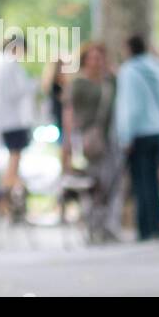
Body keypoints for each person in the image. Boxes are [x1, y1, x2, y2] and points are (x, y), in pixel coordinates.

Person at [114, 35, 159, 241]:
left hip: (138, 133)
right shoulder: (157, 68)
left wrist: (126, 136)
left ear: (128, 49)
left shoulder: (128, 71)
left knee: (141, 182)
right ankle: (156, 224)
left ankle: (145, 228)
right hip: (158, 131)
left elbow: (129, 107)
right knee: (153, 181)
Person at [61, 41, 120, 244]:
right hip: (89, 141)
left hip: (109, 139)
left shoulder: (110, 82)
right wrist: (67, 144)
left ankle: (106, 226)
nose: (98, 62)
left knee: (111, 183)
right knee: (94, 184)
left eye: (100, 57)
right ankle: (92, 226)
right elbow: (68, 113)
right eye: (94, 58)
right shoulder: (78, 85)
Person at [0, 32, 36, 199]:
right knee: (14, 160)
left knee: (13, 160)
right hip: (14, 120)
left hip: (4, 119)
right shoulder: (10, 64)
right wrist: (32, 86)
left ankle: (9, 194)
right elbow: (15, 91)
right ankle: (5, 197)